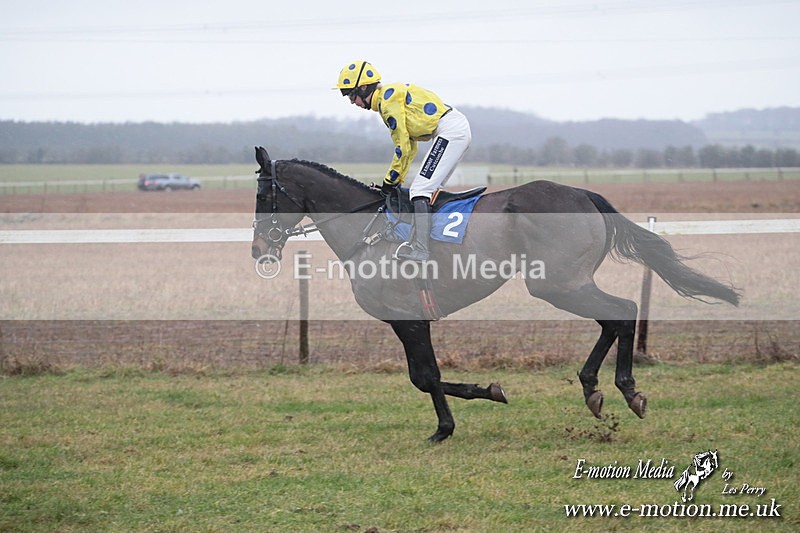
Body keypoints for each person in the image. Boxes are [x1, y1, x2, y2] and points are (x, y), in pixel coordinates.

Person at [335, 60, 472, 262]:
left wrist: (390, 182)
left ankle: (421, 250)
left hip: (451, 131)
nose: (352, 102)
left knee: (420, 190)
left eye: (352, 95)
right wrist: (395, 180)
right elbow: (410, 147)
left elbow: (403, 148)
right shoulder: (388, 98)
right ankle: (429, 240)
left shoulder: (387, 102)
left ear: (364, 88)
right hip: (453, 129)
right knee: (428, 189)